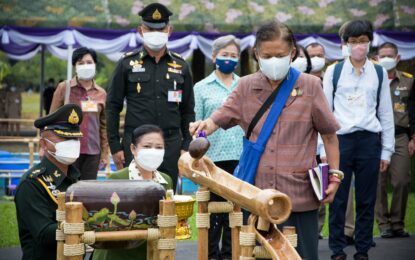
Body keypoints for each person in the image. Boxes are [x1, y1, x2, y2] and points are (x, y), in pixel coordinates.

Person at [190, 21, 341, 260]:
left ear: (292, 53)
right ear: (257, 54)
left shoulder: (310, 85)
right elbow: (216, 120)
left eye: (280, 55)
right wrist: (201, 128)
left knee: (302, 255)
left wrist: (335, 175)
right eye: (267, 55)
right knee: (255, 254)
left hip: (299, 195)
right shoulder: (245, 86)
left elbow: (330, 135)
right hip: (257, 195)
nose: (274, 61)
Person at [324, 20, 394, 260]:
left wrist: (386, 151)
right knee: (338, 198)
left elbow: (385, 113)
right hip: (340, 142)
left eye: (363, 41)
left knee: (367, 199)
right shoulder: (333, 72)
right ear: (344, 44)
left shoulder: (378, 71)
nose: (358, 46)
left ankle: (363, 249)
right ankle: (336, 249)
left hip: (369, 141)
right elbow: (324, 114)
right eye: (353, 42)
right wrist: (322, 149)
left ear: (369, 42)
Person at [106, 2, 195, 189]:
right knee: (133, 198)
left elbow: (187, 110)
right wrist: (115, 146)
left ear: (169, 30)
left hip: (170, 145)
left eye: (161, 28)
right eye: (150, 28)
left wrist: (186, 145)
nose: (156, 32)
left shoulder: (181, 66)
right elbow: (113, 106)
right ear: (141, 30)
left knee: (168, 199)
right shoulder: (126, 64)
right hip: (136, 144)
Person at [194, 34, 244, 260]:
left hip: (241, 158)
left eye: (233, 56)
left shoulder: (244, 85)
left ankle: (232, 254)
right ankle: (211, 255)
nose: (229, 59)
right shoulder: (201, 87)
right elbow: (196, 125)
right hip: (212, 159)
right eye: (224, 55)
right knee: (213, 215)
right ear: (214, 57)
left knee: (236, 214)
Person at [92, 124, 172, 260]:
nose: (153, 151)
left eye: (159, 147)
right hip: (118, 253)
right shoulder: (117, 179)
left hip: (152, 252)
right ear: (133, 149)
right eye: (147, 146)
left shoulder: (166, 180)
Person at [15, 104, 83, 260]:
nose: (72, 143)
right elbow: (44, 234)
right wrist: (86, 226)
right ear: (44, 144)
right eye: (64, 138)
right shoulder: (31, 183)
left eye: (75, 138)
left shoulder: (75, 177)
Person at [50, 47, 109, 180]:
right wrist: (47, 148)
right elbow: (50, 120)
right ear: (75, 66)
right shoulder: (64, 88)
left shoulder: (101, 93)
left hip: (93, 152)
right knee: (67, 191)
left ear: (95, 65)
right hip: (67, 150)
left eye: (89, 62)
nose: (85, 66)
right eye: (80, 63)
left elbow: (104, 127)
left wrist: (105, 153)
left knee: (87, 193)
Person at [375, 42, 413, 238]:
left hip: (400, 137)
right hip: (377, 137)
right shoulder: (371, 80)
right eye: (383, 56)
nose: (386, 59)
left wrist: (413, 137)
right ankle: (383, 224)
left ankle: (397, 223)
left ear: (398, 58)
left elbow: (413, 112)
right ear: (376, 59)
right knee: (378, 182)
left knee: (401, 181)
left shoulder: (409, 81)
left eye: (390, 55)